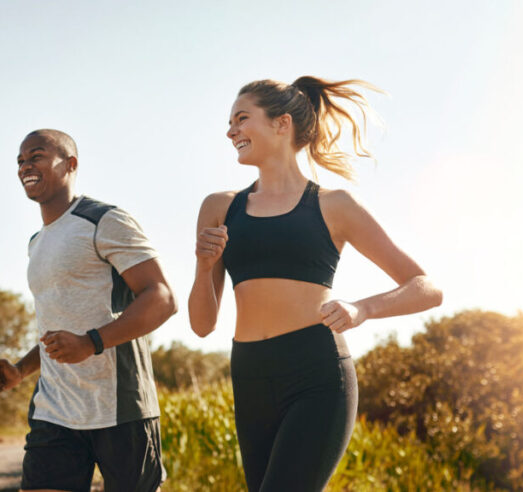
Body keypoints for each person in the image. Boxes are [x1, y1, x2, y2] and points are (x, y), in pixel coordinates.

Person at [188, 76, 443, 491]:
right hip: (249, 375)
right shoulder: (219, 208)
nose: (230, 130)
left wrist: (363, 309)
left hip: (316, 373)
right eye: (229, 121)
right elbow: (201, 325)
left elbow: (427, 287)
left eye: (241, 118)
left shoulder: (334, 205)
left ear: (281, 123)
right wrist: (203, 266)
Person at [0, 129, 177, 492]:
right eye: (19, 160)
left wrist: (92, 341)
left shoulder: (105, 220)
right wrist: (20, 370)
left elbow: (161, 298)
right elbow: (58, 329)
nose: (25, 166)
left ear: (71, 164)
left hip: (119, 407)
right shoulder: (37, 243)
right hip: (55, 409)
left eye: (36, 156)